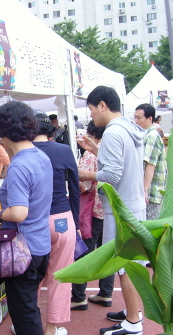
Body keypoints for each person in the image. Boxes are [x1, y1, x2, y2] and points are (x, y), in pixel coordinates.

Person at [0, 101, 53, 335]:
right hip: (39, 247)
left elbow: (19, 212)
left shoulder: (18, 166)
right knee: (29, 309)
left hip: (21, 252)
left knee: (24, 313)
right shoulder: (41, 156)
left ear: (3, 133)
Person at [77, 86, 146, 335]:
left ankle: (132, 323)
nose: (92, 115)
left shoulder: (114, 132)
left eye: (92, 109)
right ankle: (133, 312)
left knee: (125, 266)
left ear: (103, 105)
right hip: (132, 205)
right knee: (131, 265)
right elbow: (120, 163)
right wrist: (96, 149)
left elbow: (112, 174)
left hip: (122, 209)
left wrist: (87, 174)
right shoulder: (128, 127)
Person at [32, 109, 79, 335]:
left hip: (33, 222)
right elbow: (75, 188)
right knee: (60, 275)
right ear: (51, 129)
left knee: (31, 278)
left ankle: (28, 326)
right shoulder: (63, 150)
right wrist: (77, 223)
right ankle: (50, 330)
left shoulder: (23, 153)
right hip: (61, 219)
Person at [71, 120, 110, 310]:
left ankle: (79, 296)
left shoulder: (90, 153)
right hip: (110, 209)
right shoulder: (112, 150)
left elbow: (84, 184)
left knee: (84, 251)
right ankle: (106, 293)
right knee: (108, 252)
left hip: (92, 210)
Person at [134, 103, 167, 220]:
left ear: (150, 118)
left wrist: (144, 190)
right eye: (135, 117)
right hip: (149, 191)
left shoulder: (152, 136)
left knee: (149, 228)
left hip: (152, 192)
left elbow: (150, 165)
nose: (136, 121)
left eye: (139, 118)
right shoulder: (145, 134)